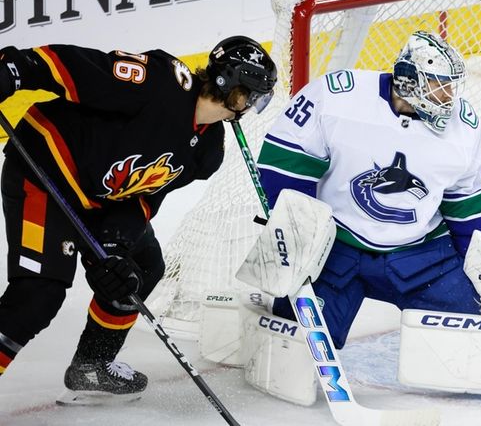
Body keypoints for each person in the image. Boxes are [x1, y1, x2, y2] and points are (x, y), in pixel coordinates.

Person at [0, 35, 277, 403]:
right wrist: (16, 70)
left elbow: (146, 195)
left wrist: (116, 242)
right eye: (252, 94)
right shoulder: (160, 82)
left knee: (140, 268)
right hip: (48, 174)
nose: (252, 105)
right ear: (229, 81)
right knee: (39, 295)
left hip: (100, 199)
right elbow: (80, 68)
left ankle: (92, 365)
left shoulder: (208, 151)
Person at [253, 30, 481, 350]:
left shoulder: (463, 128)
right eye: (439, 85)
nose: (449, 95)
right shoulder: (338, 97)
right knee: (295, 346)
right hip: (333, 248)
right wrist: (298, 236)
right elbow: (285, 163)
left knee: (472, 335)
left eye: (452, 85)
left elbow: (472, 203)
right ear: (408, 81)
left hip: (420, 256)